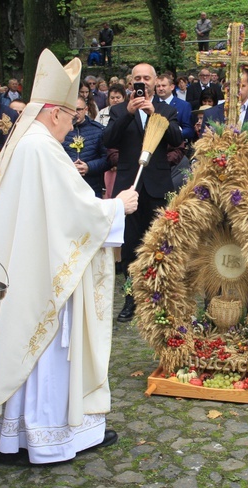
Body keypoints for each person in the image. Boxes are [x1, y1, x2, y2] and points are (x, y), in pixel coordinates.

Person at [0, 49, 139, 464]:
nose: (72, 124)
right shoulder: (43, 148)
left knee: (15, 341)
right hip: (41, 272)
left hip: (25, 262)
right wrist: (116, 206)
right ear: (54, 113)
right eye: (70, 117)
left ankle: (1, 429)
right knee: (42, 347)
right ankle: (41, 435)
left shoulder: (24, 143)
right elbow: (76, 212)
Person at [103, 62, 183, 322]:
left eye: (147, 78)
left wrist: (153, 115)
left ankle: (161, 297)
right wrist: (128, 113)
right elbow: (108, 140)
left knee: (162, 244)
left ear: (155, 81)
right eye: (137, 78)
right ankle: (130, 298)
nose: (142, 82)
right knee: (130, 247)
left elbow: (176, 139)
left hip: (158, 186)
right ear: (130, 83)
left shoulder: (166, 109)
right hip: (129, 188)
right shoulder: (117, 111)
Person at [203, 68, 248, 159]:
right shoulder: (210, 114)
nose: (235, 90)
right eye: (230, 85)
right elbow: (203, 147)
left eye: (241, 86)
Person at [63, 96, 108, 197]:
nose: (75, 113)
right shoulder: (61, 130)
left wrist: (89, 167)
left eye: (79, 109)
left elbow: (107, 159)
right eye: (72, 109)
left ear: (86, 109)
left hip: (92, 186)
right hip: (67, 185)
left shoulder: (98, 130)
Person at [155, 72, 194, 141]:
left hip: (175, 146)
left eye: (164, 85)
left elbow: (189, 129)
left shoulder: (184, 105)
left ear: (172, 87)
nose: (160, 88)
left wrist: (176, 135)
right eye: (158, 86)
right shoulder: (151, 104)